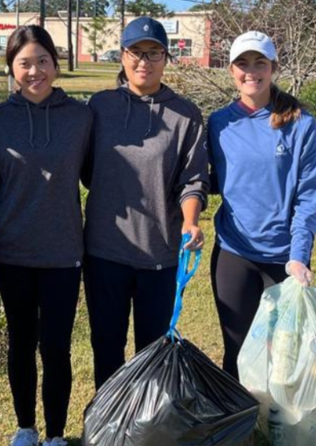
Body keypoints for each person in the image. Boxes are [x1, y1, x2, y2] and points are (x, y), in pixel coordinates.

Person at [207, 30, 316, 446]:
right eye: (243, 64)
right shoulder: (219, 123)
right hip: (235, 251)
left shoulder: (300, 124)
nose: (251, 72)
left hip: (284, 258)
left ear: (273, 69)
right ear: (232, 71)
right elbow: (209, 181)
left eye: (260, 64)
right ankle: (240, 438)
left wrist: (298, 254)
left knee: (287, 351)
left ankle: (292, 435)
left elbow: (309, 197)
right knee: (237, 349)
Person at [0, 26, 92, 446]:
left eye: (42, 60)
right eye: (24, 62)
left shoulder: (81, 118)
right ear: (11, 68)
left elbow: (93, 177)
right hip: (11, 253)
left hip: (64, 252)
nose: (34, 70)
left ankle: (56, 441)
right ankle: (25, 430)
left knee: (57, 347)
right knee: (21, 345)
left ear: (56, 64)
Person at [83, 16, 208, 390]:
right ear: (122, 56)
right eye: (136, 52)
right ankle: (107, 430)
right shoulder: (100, 107)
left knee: (153, 351)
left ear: (166, 58)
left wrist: (191, 221)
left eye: (154, 53)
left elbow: (193, 180)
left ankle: (147, 431)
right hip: (105, 250)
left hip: (161, 253)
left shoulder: (185, 114)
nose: (144, 61)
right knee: (107, 346)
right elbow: (86, 169)